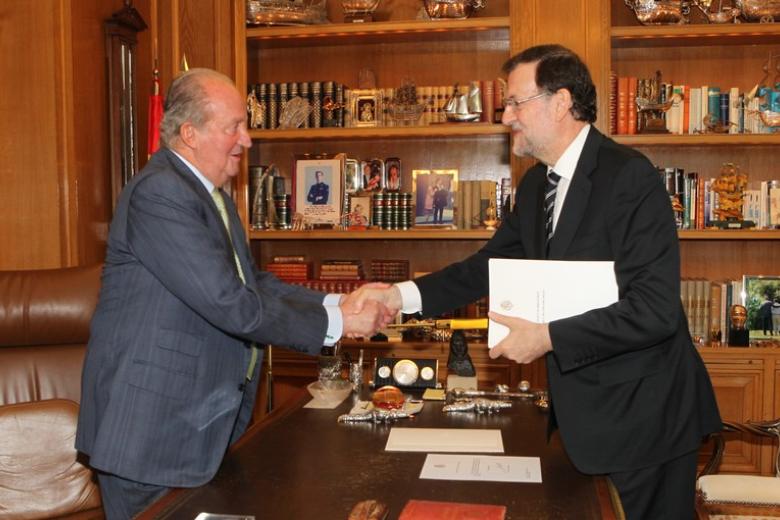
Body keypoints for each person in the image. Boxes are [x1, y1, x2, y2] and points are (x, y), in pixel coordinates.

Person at [352, 45, 721, 519]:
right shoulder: (535, 186)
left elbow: (654, 310)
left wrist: (545, 337)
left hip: (645, 419)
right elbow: (486, 267)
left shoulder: (629, 177)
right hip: (587, 420)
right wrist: (397, 295)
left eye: (515, 103)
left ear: (561, 102)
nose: (506, 117)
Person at [74, 68, 392, 519]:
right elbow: (228, 302)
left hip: (196, 427)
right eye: (234, 127)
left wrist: (335, 302)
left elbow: (251, 283)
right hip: (151, 433)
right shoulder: (160, 193)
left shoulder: (212, 196)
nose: (247, 139)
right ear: (189, 134)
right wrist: (339, 325)